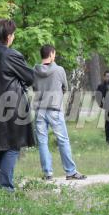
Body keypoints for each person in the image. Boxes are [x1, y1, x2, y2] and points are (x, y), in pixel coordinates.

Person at [0, 19, 35, 192]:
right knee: (12, 147)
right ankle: (6, 190)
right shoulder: (11, 54)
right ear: (9, 36)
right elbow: (30, 77)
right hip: (11, 107)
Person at [33, 45, 86, 181]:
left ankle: (48, 173)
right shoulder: (59, 70)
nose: (54, 56)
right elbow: (65, 88)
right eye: (54, 54)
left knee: (42, 142)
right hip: (54, 109)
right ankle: (70, 171)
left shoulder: (35, 70)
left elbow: (34, 87)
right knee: (63, 141)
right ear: (51, 54)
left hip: (39, 110)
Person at [96, 71, 109, 144]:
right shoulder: (101, 86)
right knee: (108, 124)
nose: (108, 78)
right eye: (106, 76)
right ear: (104, 77)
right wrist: (101, 105)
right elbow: (98, 96)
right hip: (108, 107)